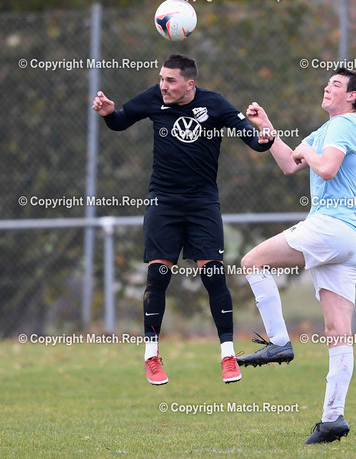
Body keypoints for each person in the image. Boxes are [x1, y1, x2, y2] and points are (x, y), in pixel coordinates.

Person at [91, 54, 273, 386]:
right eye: (161, 78)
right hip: (163, 202)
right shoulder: (154, 98)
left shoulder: (215, 104)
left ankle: (228, 356)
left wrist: (265, 135)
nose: (163, 85)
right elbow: (120, 120)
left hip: (203, 203)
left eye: (170, 80)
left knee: (214, 276)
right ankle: (151, 357)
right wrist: (108, 113)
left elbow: (253, 140)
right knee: (157, 276)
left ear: (189, 84)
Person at [238, 67, 356, 444]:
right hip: (348, 239)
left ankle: (279, 341)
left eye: (336, 85)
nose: (327, 88)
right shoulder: (328, 129)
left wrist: (309, 151)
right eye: (327, 83)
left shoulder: (343, 125)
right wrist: (268, 128)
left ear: (352, 97)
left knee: (252, 262)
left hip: (330, 226)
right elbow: (289, 164)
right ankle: (333, 419)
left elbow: (325, 168)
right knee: (337, 331)